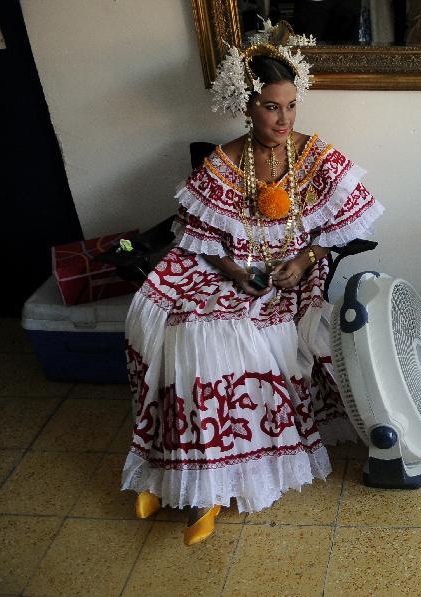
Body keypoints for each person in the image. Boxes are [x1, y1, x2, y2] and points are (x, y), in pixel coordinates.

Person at [120, 20, 383, 545]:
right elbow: (202, 240)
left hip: (290, 278)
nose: (283, 118)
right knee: (184, 327)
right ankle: (177, 474)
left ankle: (204, 489)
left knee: (224, 336)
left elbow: (345, 232)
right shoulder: (223, 163)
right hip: (230, 271)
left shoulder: (318, 159)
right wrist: (237, 273)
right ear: (246, 105)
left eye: (290, 106)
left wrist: (306, 260)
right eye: (270, 107)